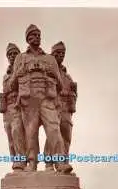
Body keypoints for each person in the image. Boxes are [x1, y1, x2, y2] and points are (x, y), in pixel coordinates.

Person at [7, 24, 73, 173]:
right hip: (28, 101)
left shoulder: (50, 59)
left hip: (47, 99)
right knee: (30, 134)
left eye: (38, 35)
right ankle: (32, 164)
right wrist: (19, 73)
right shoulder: (20, 58)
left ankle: (60, 163)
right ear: (27, 39)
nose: (36, 37)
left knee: (54, 129)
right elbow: (11, 85)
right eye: (33, 35)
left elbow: (61, 84)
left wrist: (50, 72)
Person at [43, 41, 77, 171]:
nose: (61, 55)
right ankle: (49, 163)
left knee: (66, 136)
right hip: (53, 105)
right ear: (53, 54)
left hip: (66, 109)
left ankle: (63, 162)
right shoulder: (48, 71)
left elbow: (73, 94)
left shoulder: (67, 76)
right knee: (53, 134)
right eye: (58, 53)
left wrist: (73, 92)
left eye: (63, 53)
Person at [0, 43, 27, 171]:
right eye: (9, 54)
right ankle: (16, 163)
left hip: (18, 106)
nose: (11, 56)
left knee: (18, 133)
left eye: (14, 53)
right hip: (7, 110)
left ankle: (22, 161)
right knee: (10, 138)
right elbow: (6, 90)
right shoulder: (6, 76)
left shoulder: (22, 70)